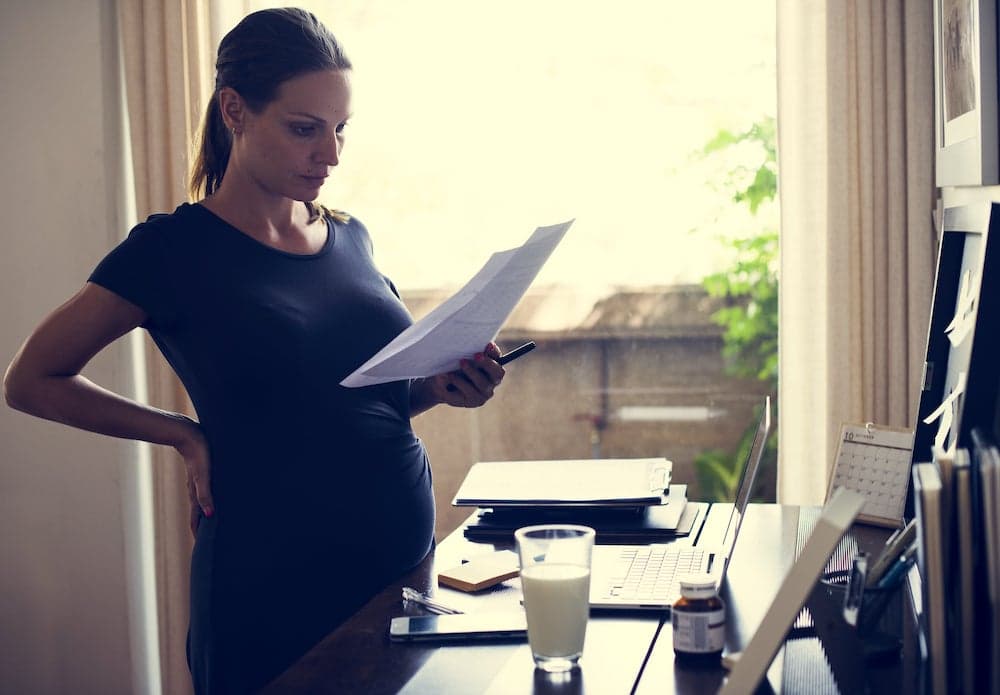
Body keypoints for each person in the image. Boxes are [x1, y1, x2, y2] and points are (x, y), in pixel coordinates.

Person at [2, 8, 505, 693]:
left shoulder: (352, 237)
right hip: (270, 589)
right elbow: (30, 378)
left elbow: (367, 395)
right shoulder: (171, 251)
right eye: (305, 129)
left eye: (339, 131)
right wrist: (180, 433)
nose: (329, 155)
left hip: (401, 567)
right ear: (234, 111)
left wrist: (442, 385)